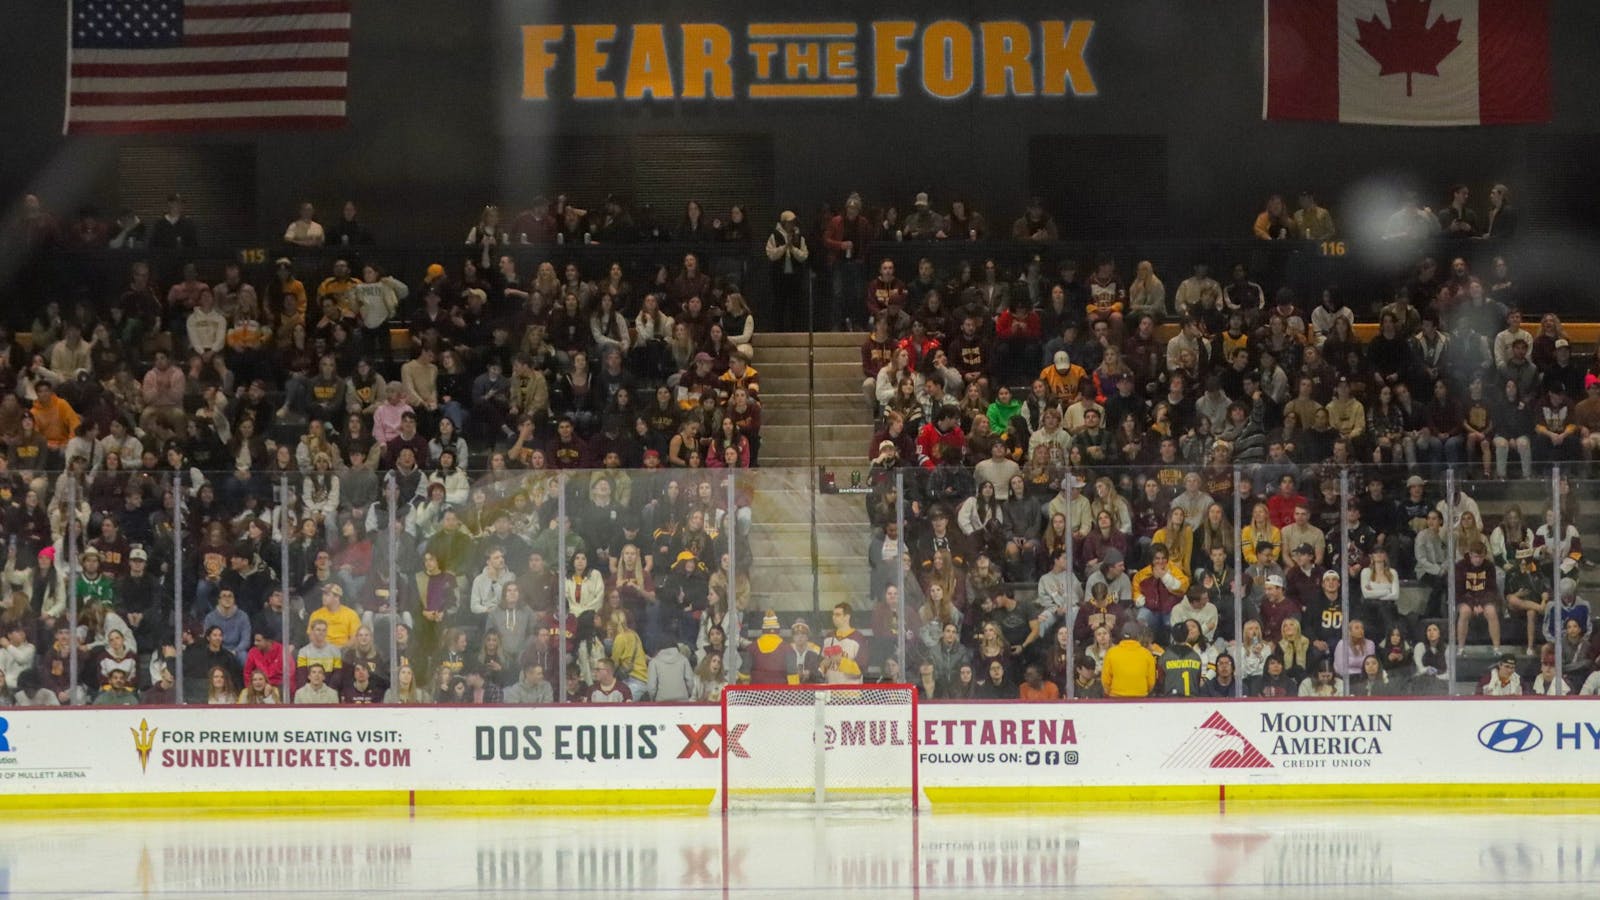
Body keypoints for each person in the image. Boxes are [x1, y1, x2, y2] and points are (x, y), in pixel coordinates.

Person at [1101, 622, 1157, 698]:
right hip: (1141, 698)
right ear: (1138, 636)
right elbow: (1151, 682)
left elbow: (1105, 681)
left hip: (1116, 699)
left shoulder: (1111, 653)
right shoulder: (1147, 654)